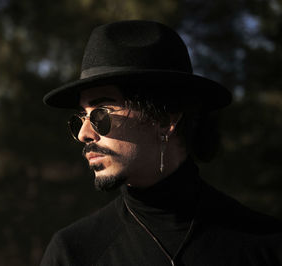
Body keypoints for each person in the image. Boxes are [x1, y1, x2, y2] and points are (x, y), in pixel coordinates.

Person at [40, 20, 282, 266]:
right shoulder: (73, 254)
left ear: (165, 118)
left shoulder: (264, 244)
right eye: (81, 116)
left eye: (101, 113)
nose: (84, 133)